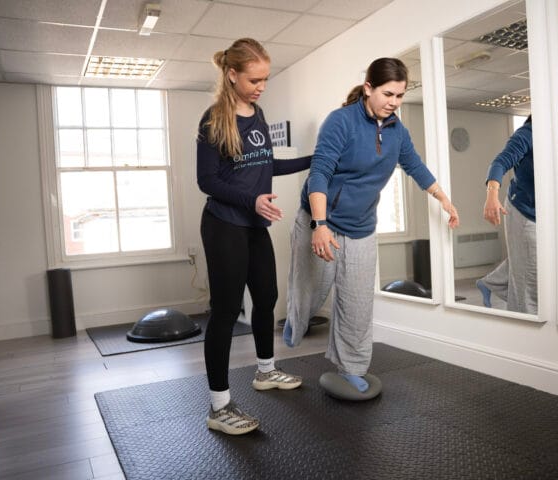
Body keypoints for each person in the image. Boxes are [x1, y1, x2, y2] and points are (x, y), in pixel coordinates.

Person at [282, 57, 459, 394]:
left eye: (400, 95)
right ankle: (297, 319)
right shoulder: (341, 122)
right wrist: (319, 225)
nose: (393, 102)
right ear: (368, 89)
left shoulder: (397, 130)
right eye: (388, 93)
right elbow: (319, 172)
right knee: (310, 288)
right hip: (322, 220)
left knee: (358, 302)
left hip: (362, 225)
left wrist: (442, 198)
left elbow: (414, 165)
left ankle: (351, 366)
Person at [196, 38, 311, 435]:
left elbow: (267, 164)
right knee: (226, 312)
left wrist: (316, 159)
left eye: (266, 78)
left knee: (267, 298)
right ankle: (218, 406)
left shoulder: (258, 113)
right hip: (225, 223)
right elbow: (206, 180)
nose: (262, 86)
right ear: (232, 74)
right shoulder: (214, 120)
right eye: (254, 79)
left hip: (253, 223)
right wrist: (253, 199)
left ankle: (265, 372)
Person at [479, 83, 558, 314]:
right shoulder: (528, 134)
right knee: (531, 278)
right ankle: (526, 329)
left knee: (534, 268)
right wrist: (492, 195)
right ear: (552, 107)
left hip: (549, 214)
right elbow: (500, 162)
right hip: (523, 210)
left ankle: (491, 284)